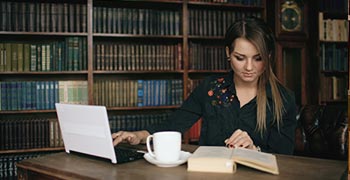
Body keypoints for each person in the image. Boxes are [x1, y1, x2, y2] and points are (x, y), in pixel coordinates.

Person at [112, 17, 297, 155]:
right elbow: (174, 124)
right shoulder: (210, 88)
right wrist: (139, 135)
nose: (249, 67)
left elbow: (284, 158)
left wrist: (253, 150)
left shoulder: (283, 99)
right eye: (240, 58)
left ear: (269, 57)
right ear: (228, 53)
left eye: (258, 58)